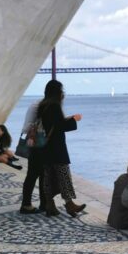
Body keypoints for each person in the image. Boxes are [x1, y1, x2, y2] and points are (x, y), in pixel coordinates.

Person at [36, 79, 86, 217]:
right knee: (64, 175)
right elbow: (60, 127)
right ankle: (69, 204)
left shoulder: (42, 106)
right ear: (57, 92)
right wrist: (74, 119)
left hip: (45, 148)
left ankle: (49, 204)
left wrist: (67, 118)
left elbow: (52, 123)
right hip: (57, 148)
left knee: (49, 176)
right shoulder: (54, 106)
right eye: (61, 91)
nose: (63, 94)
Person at [19, 95, 45, 214]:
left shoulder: (34, 104)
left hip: (33, 143)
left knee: (33, 175)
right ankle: (27, 204)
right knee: (36, 175)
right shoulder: (40, 106)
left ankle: (30, 203)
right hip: (38, 144)